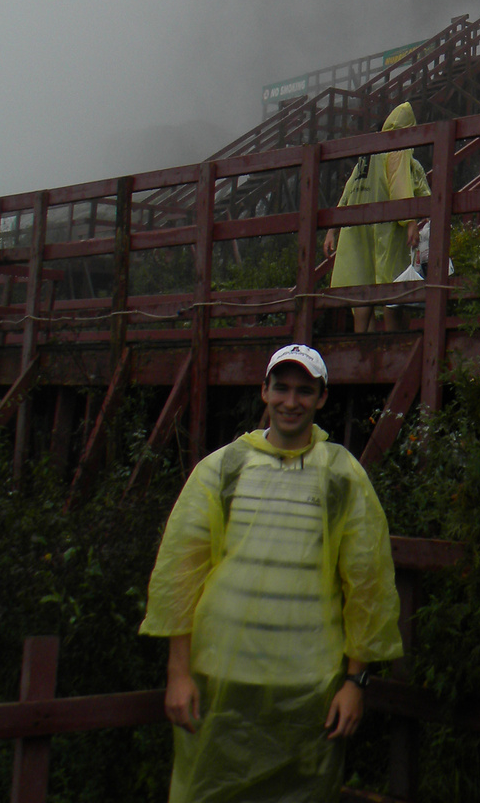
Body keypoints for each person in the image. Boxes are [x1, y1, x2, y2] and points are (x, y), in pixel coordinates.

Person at [140, 343, 403, 803]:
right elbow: (179, 576)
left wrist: (355, 682)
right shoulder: (223, 468)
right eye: (281, 388)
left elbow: (368, 585)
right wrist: (178, 673)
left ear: (322, 398)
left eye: (305, 391)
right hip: (219, 683)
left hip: (307, 691)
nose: (291, 401)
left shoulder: (342, 475)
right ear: (263, 391)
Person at [325, 102, 429, 335]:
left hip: (357, 232)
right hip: (387, 230)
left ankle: (363, 349)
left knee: (362, 290)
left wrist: (332, 229)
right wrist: (411, 220)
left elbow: (348, 190)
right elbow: (400, 186)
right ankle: (395, 347)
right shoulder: (397, 148)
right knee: (394, 291)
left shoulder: (367, 155)